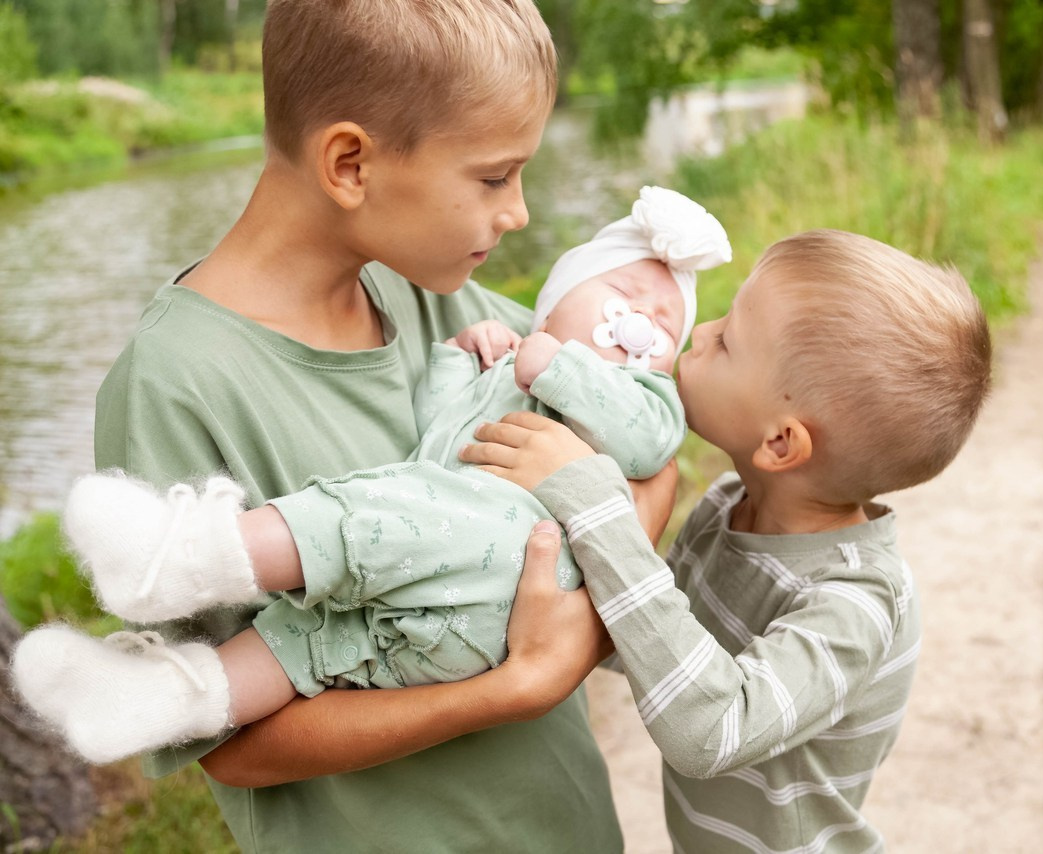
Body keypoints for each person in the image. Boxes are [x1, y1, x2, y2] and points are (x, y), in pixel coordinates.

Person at [7, 1, 674, 851]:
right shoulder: (175, 386)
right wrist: (518, 684)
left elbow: (654, 449)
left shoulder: (443, 300)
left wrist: (588, 588)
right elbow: (235, 746)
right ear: (351, 163)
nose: (519, 215)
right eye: (495, 177)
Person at [13, 187, 732, 766]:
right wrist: (464, 357)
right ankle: (182, 694)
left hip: (502, 561)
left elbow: (652, 449)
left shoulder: (632, 392)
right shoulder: (500, 349)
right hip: (430, 601)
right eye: (620, 299)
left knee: (364, 515)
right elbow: (435, 423)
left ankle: (198, 555)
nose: (640, 324)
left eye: (664, 326)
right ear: (553, 299)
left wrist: (558, 365)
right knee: (314, 634)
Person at [459, 230, 993, 852]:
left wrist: (596, 505)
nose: (702, 330)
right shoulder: (726, 508)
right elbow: (644, 642)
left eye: (729, 340)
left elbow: (709, 731)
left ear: (780, 443)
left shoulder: (857, 602)